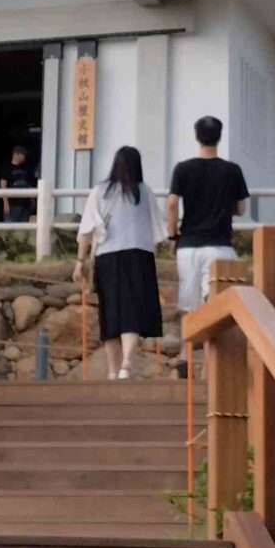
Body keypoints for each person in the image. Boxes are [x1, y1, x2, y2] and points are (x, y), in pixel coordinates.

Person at [76, 145, 165, 379]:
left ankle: (113, 371)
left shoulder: (100, 191)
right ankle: (126, 363)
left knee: (111, 312)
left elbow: (87, 230)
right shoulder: (144, 192)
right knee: (133, 311)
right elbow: (158, 231)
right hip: (139, 257)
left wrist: (79, 261)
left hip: (108, 258)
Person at [167, 115, 250, 322]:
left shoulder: (182, 169)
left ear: (197, 137)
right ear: (219, 137)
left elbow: (171, 203)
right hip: (220, 245)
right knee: (218, 303)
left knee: (190, 307)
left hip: (188, 246)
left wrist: (172, 237)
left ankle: (188, 352)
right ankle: (214, 352)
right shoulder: (232, 170)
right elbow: (241, 209)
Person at [2, 141, 36, 223]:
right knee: (10, 229)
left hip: (25, 204)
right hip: (13, 203)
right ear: (16, 155)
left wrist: (32, 201)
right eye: (23, 155)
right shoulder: (7, 168)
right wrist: (5, 203)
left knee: (23, 230)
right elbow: (3, 186)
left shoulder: (26, 169)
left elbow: (28, 185)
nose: (24, 157)